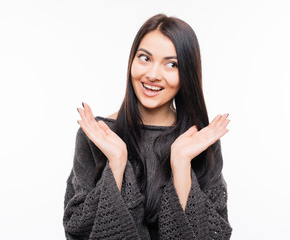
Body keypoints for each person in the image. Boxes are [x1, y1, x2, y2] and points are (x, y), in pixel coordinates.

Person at [63, 13, 232, 240]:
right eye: (144, 58)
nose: (153, 75)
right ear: (132, 61)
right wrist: (117, 164)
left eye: (171, 64)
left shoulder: (199, 142)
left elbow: (214, 236)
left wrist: (181, 164)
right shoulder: (97, 135)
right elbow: (77, 231)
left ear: (187, 74)